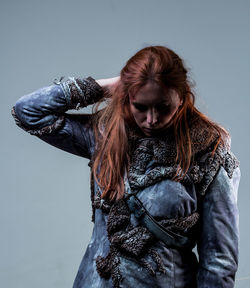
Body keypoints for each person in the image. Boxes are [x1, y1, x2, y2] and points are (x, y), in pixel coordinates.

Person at [11, 45, 240, 288]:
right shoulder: (104, 135)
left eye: (163, 107)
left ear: (182, 97)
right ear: (127, 97)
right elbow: (28, 112)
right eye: (140, 106)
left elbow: (219, 260)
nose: (151, 119)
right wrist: (109, 86)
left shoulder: (208, 152)